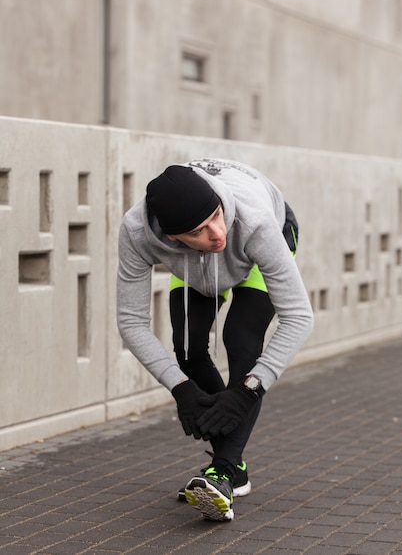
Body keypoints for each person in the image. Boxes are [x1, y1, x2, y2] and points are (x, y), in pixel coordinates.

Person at [117, 158, 313, 522]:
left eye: (215, 217)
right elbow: (131, 321)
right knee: (189, 352)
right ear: (172, 237)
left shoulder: (254, 221)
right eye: (200, 230)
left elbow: (300, 317)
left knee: (241, 340)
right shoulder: (136, 232)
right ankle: (232, 466)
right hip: (191, 263)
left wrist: (247, 392)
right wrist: (180, 389)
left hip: (260, 241)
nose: (217, 233)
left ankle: (222, 472)